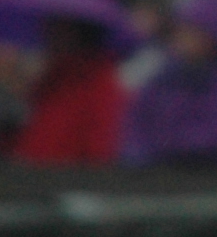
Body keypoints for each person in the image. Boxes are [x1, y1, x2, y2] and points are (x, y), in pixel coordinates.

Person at [118, 0, 217, 166]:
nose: (182, 37)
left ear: (214, 38)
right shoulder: (162, 79)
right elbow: (137, 127)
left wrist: (167, 147)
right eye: (180, 29)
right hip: (155, 175)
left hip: (206, 175)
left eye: (192, 31)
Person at [14, 15, 130, 166]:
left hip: (68, 175)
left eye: (58, 30)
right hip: (36, 171)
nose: (48, 36)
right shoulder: (52, 78)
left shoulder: (98, 81)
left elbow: (100, 146)